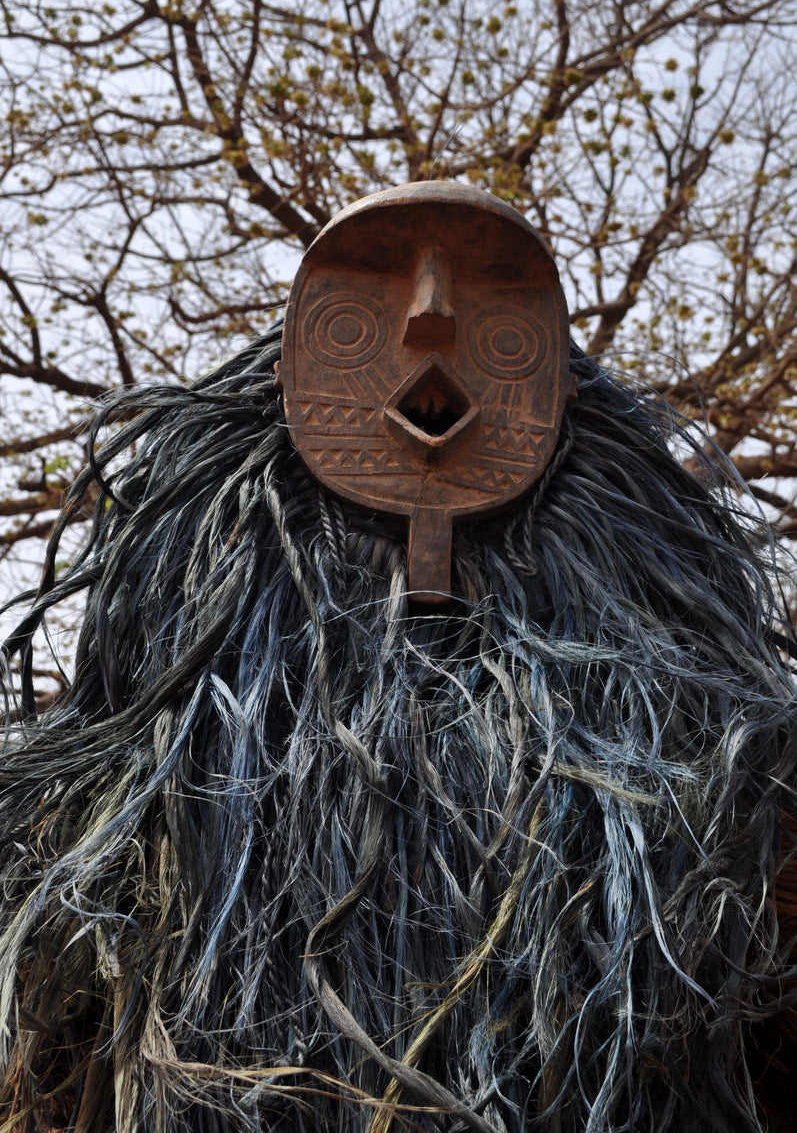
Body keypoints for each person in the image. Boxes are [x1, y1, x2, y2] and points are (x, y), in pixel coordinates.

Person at [1, 184, 795, 1133]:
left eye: (495, 296)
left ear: (565, 389)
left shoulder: (740, 834)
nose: (428, 314)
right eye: (363, 297)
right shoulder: (91, 839)